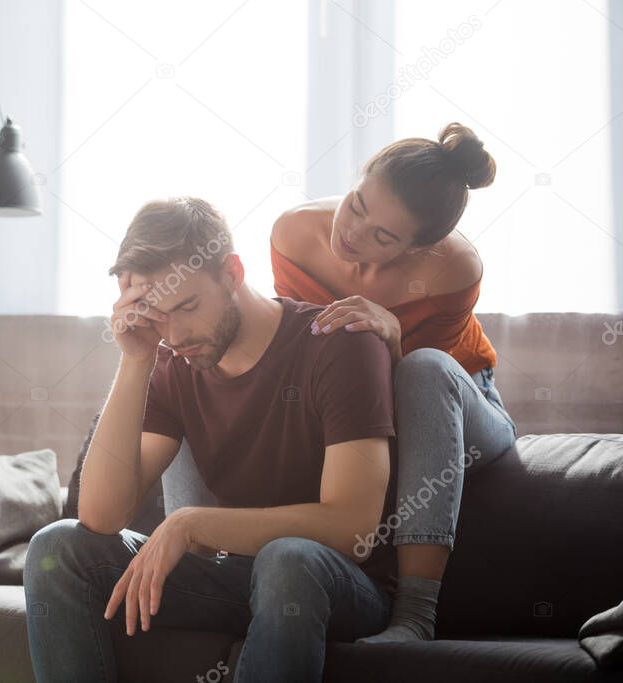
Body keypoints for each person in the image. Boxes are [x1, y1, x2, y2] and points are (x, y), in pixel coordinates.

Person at [24, 196, 399, 682]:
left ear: (233, 272)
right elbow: (101, 517)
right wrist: (136, 359)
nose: (175, 334)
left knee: (287, 558)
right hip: (239, 582)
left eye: (187, 306)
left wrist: (191, 524)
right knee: (59, 549)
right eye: (158, 315)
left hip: (343, 585)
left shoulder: (339, 341)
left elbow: (354, 528)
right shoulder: (173, 362)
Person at [270, 122, 518, 643]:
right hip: (361, 405)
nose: (353, 234)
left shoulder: (454, 269)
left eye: (383, 236)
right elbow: (317, 370)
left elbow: (420, 406)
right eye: (357, 204)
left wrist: (395, 340)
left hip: (463, 405)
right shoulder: (294, 236)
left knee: (422, 366)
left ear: (418, 247)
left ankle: (415, 616)